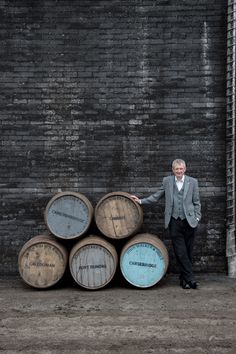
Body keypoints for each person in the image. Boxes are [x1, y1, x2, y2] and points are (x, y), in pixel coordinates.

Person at [131, 159, 201, 289]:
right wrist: (141, 201)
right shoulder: (167, 181)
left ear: (185, 169)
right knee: (180, 252)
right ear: (173, 170)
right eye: (176, 169)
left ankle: (184, 280)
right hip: (174, 221)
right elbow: (156, 196)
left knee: (188, 252)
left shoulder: (193, 182)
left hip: (190, 221)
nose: (179, 171)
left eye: (181, 169)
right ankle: (191, 279)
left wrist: (197, 218)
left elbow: (197, 202)